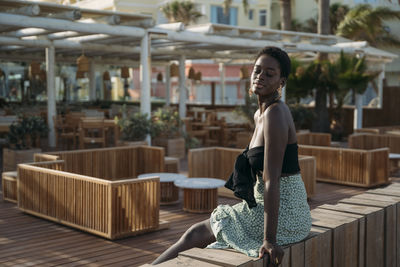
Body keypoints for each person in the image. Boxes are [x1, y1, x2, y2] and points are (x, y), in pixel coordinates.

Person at [152, 46, 312, 266]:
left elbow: (271, 180)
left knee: (195, 234)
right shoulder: (261, 113)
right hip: (275, 206)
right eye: (257, 70)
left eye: (269, 73)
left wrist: (269, 240)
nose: (260, 76)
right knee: (195, 234)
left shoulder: (276, 113)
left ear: (281, 81)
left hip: (286, 213)